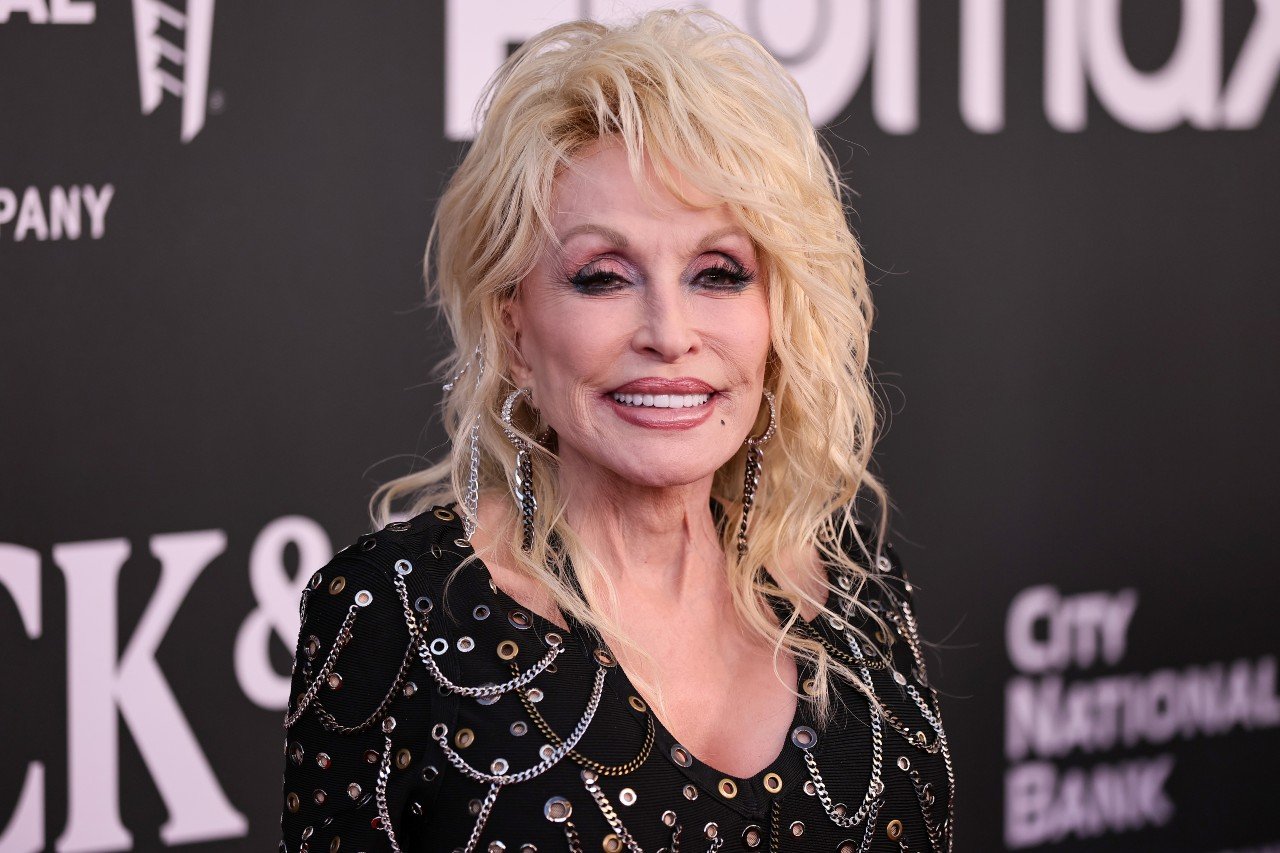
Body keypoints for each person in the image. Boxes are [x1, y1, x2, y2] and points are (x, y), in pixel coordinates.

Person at [279, 9, 954, 852]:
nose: (669, 333)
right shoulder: (396, 616)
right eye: (602, 277)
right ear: (516, 330)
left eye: (719, 273)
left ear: (778, 314)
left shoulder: (857, 591)